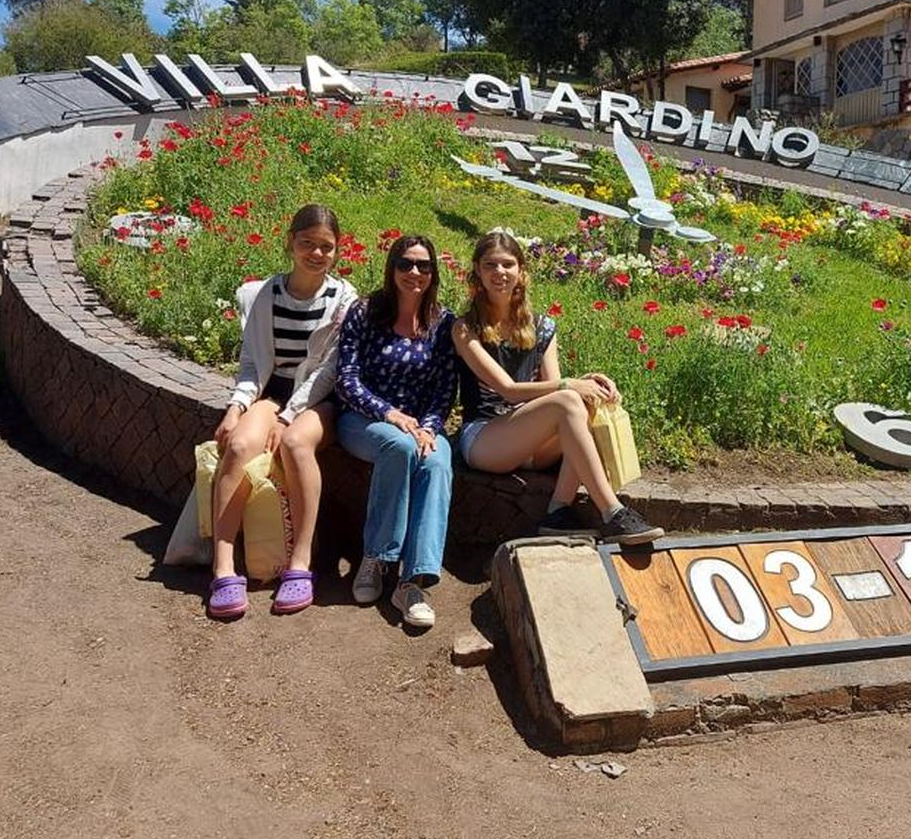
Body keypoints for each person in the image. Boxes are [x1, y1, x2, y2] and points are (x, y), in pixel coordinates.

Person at [452, 230, 662, 546]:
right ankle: (612, 511)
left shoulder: (543, 326)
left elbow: (555, 392)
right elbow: (508, 389)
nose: (499, 273)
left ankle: (558, 511)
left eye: (507, 264)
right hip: (485, 439)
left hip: (532, 442)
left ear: (521, 272)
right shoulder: (465, 328)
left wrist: (591, 382)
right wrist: (570, 385)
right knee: (569, 399)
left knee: (584, 403)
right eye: (490, 265)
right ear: (477, 273)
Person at [208, 203, 358, 620]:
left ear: (337, 251)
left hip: (317, 401)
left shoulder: (344, 299)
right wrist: (237, 406)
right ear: (290, 242)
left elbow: (329, 371)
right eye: (307, 243)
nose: (316, 253)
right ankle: (222, 566)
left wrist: (289, 415)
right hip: (272, 394)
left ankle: (300, 562)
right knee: (238, 446)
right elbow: (253, 363)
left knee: (293, 445)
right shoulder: (266, 294)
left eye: (326, 247)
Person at [335, 234, 457, 629]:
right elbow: (347, 379)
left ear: (433, 273)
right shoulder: (366, 312)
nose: (414, 273)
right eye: (405, 264)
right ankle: (376, 558)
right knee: (400, 448)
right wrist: (390, 414)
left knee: (437, 461)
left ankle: (412, 580)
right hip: (362, 420)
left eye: (424, 265)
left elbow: (444, 388)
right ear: (392, 267)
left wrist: (429, 427)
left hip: (419, 425)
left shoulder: (442, 323)